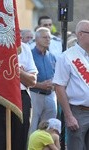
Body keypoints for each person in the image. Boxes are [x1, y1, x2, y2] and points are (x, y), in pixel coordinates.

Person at [0, 42, 38, 150]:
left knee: (20, 141)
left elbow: (32, 81)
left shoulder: (24, 48)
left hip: (20, 97)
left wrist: (13, 68)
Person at [53, 20, 89, 150]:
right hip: (77, 112)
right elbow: (59, 87)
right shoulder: (67, 57)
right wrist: (69, 116)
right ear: (80, 34)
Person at [29, 27, 57, 135]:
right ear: (36, 39)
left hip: (50, 95)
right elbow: (23, 77)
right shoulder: (30, 55)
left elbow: (56, 74)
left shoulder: (52, 56)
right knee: (32, 126)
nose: (48, 39)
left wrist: (53, 83)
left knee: (49, 128)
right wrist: (39, 85)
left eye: (49, 37)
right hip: (34, 94)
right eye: (45, 37)